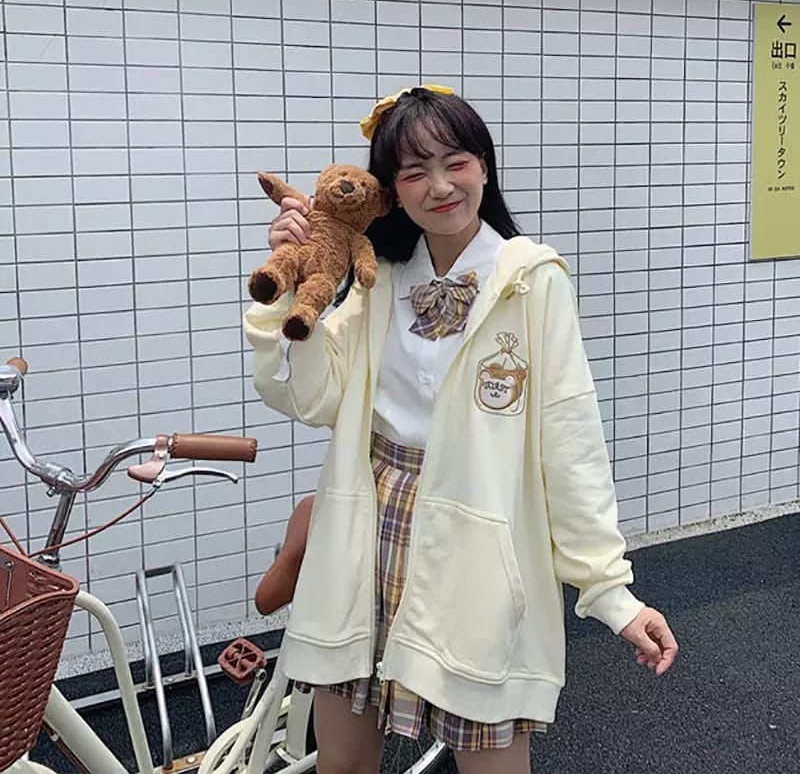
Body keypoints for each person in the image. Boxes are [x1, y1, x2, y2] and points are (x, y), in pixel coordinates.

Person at [244, 86, 678, 774]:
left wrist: (609, 590)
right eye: (415, 171)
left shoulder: (530, 280)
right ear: (390, 190)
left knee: (489, 752)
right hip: (366, 528)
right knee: (343, 762)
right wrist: (292, 296)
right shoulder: (380, 276)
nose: (441, 186)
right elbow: (311, 397)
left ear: (484, 165)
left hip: (477, 537)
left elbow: (570, 441)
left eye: (456, 162)